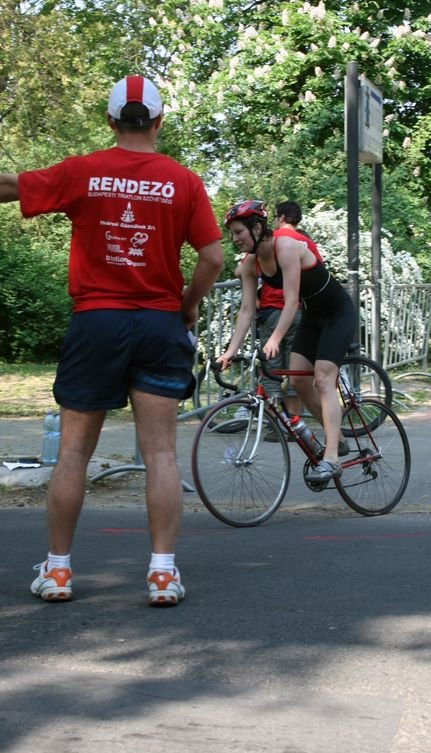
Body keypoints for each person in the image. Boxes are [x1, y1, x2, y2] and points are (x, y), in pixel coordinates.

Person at [0, 75, 224, 606]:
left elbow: (11, 186)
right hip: (159, 322)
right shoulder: (183, 181)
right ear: (159, 121)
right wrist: (187, 304)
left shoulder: (84, 171)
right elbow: (213, 257)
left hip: (97, 321)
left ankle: (57, 572)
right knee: (161, 454)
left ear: (110, 122)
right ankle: (163, 574)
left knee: (73, 451)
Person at [219, 199, 356, 482]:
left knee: (323, 377)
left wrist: (276, 339)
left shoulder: (286, 246)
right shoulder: (250, 265)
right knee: (298, 381)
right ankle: (337, 438)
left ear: (257, 228)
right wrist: (229, 352)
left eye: (239, 232)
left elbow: (291, 300)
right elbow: (246, 310)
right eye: (232, 234)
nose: (235, 239)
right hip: (312, 318)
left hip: (337, 313)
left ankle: (331, 459)